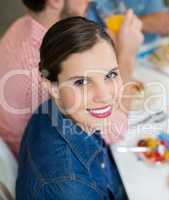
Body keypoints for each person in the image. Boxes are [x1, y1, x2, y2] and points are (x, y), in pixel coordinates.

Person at [0, 0, 143, 156]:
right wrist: (126, 59)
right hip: (42, 158)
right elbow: (112, 132)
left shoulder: (21, 26)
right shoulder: (41, 71)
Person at [16, 16, 132, 199]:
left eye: (110, 75)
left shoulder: (56, 109)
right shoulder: (70, 186)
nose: (104, 95)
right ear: (52, 87)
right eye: (82, 81)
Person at [86, 0, 169, 43]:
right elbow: (91, 40)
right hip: (114, 61)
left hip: (151, 53)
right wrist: (141, 24)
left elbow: (165, 22)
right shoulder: (90, 4)